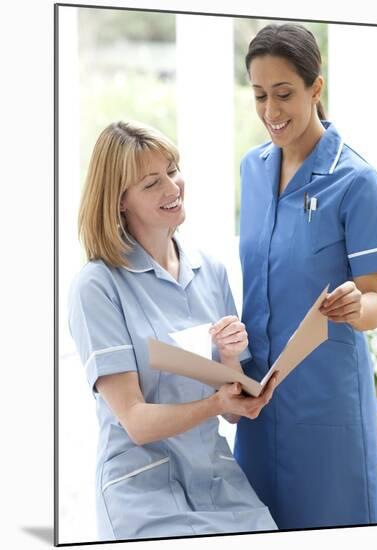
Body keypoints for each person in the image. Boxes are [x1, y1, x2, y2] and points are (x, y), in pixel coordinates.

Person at [68, 121, 278, 541]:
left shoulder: (210, 271)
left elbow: (234, 410)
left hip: (216, 479)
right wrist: (215, 404)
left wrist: (233, 366)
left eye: (172, 169)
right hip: (142, 489)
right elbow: (136, 422)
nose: (172, 186)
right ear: (120, 201)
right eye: (151, 182)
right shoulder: (98, 285)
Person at [234, 23, 377, 530]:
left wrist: (354, 303)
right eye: (260, 96)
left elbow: (374, 304)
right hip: (259, 404)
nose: (270, 112)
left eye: (284, 94)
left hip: (327, 410)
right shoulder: (252, 171)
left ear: (316, 88)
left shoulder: (358, 182)